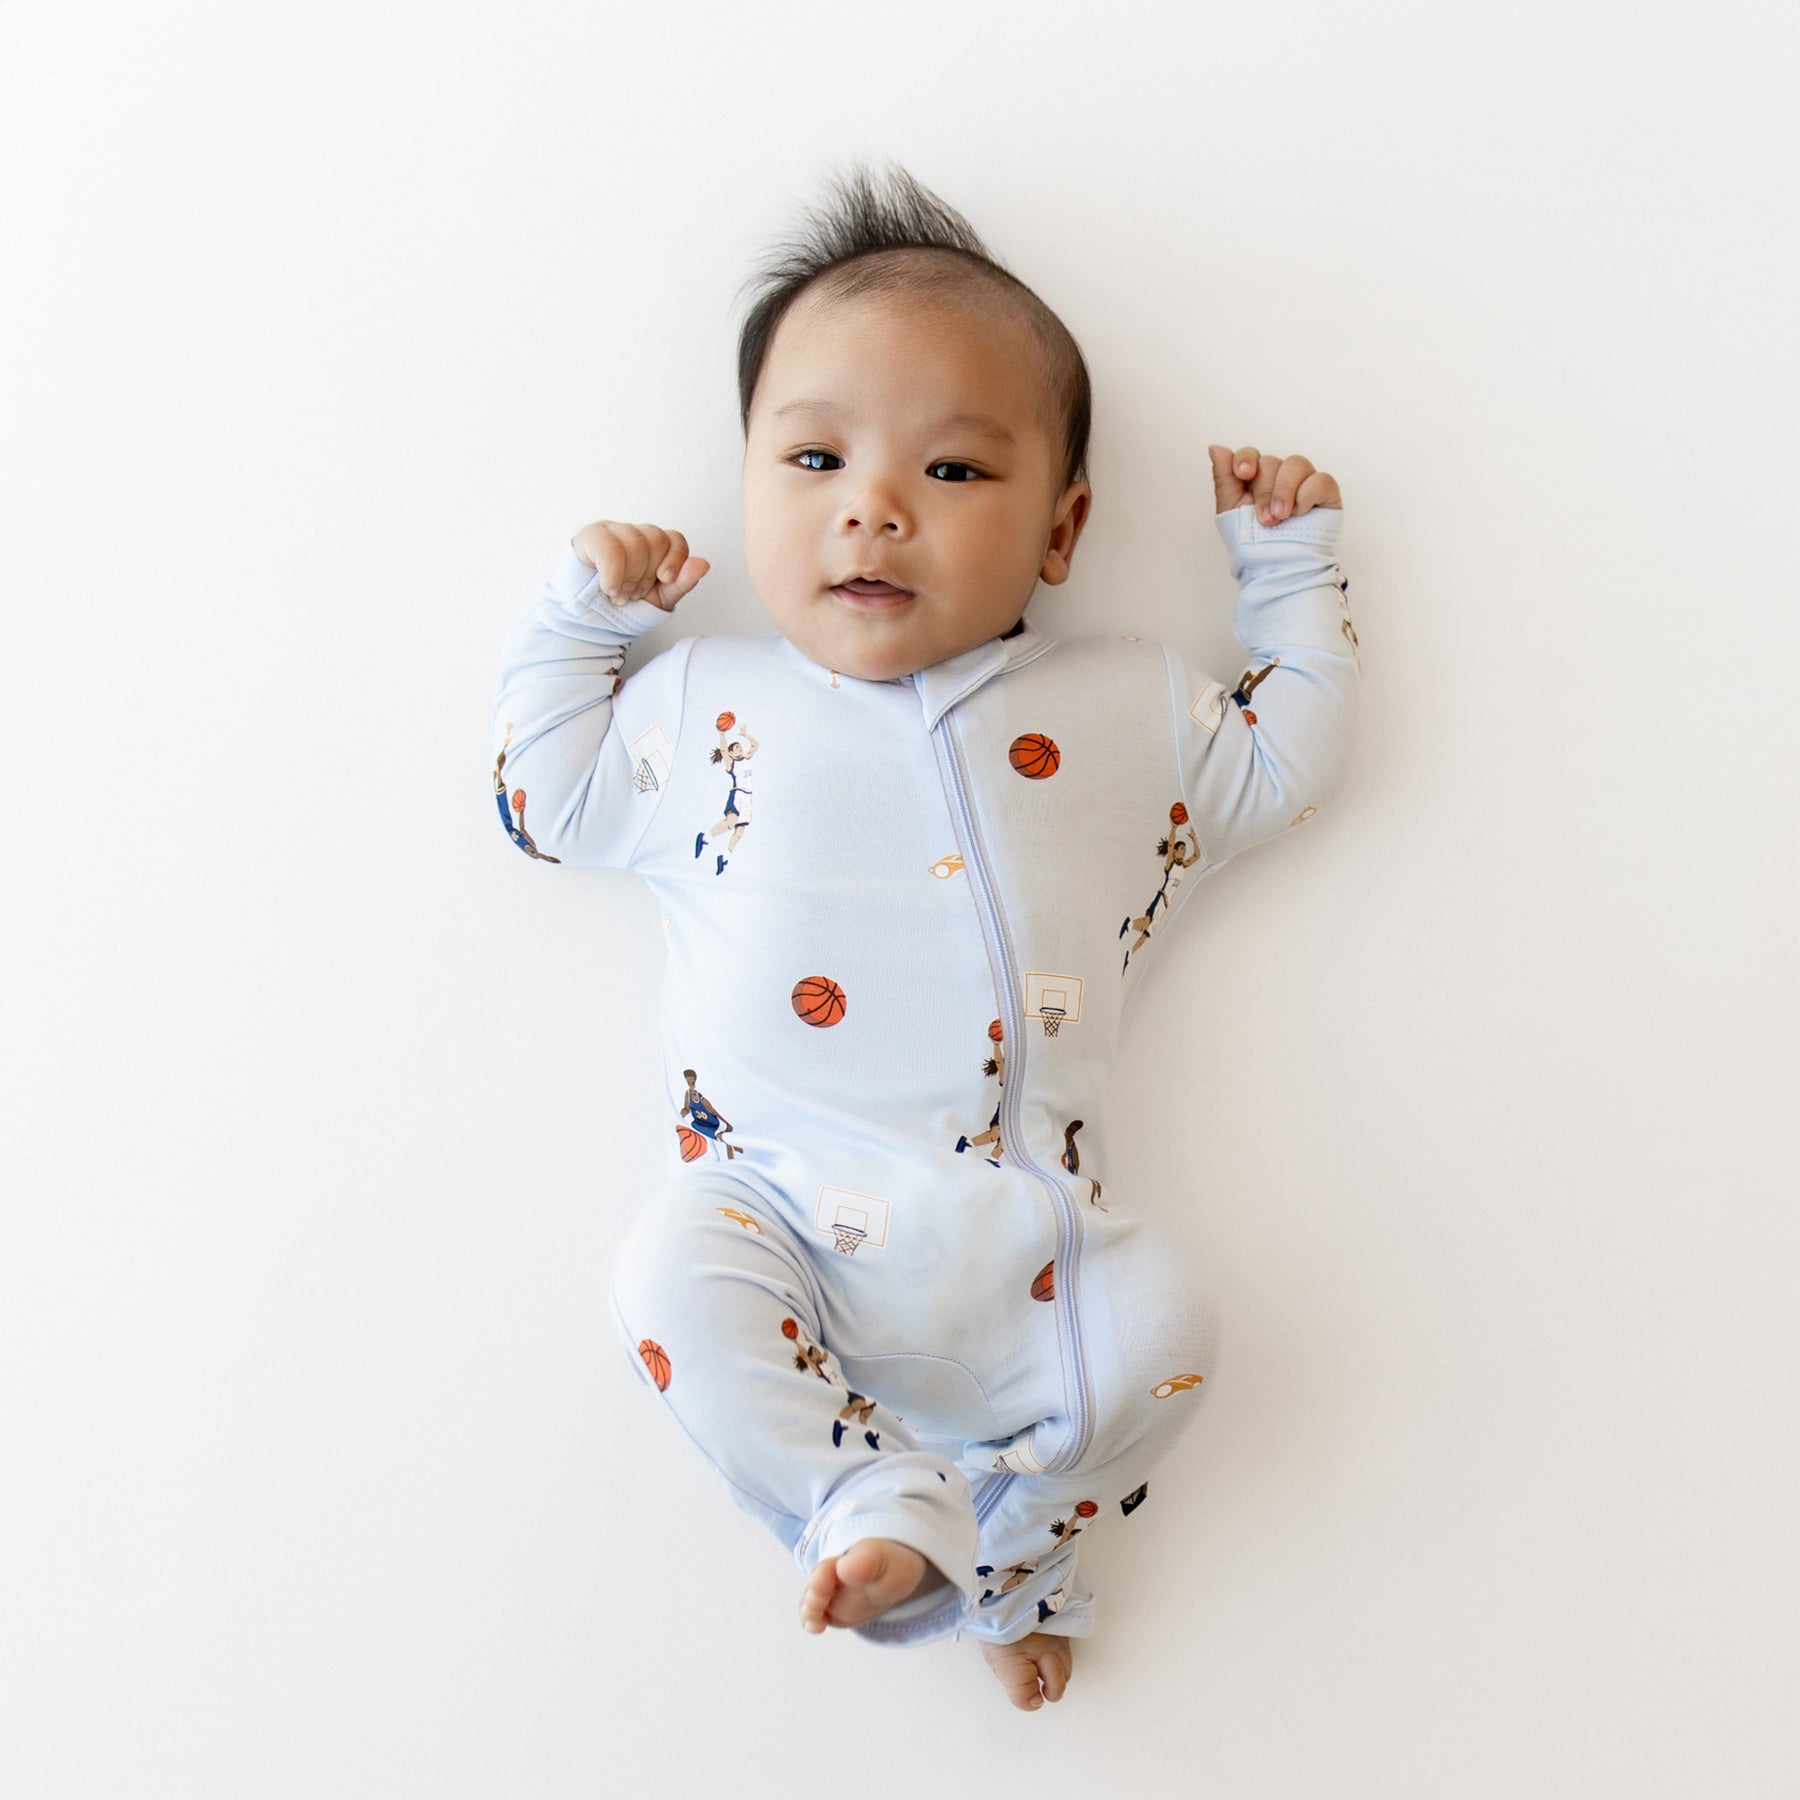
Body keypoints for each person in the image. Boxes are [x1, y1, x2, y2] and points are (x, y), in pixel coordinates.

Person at [489, 162, 1359, 1712]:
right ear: (748, 481)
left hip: (1037, 1241)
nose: (873, 506)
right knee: (664, 1275)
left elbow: (1283, 770)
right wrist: (582, 623)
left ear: (1063, 526)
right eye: (815, 456)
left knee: (1171, 1334)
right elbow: (541, 802)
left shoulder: (1129, 707)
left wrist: (1288, 577)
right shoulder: (701, 707)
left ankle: (1008, 1549)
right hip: (780, 1218)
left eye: (954, 474)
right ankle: (865, 1500)